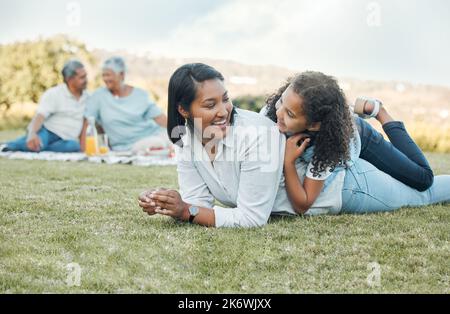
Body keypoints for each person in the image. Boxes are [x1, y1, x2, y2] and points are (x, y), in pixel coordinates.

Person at [269, 71, 450, 215]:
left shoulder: (327, 148)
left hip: (359, 137)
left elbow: (303, 204)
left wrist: (288, 163)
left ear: (314, 125)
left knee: (423, 180)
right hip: (338, 122)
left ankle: (380, 112)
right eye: (281, 102)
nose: (279, 113)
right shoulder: (272, 112)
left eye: (290, 114)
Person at [81, 56, 170, 153]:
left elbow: (160, 118)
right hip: (129, 146)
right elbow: (87, 123)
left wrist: (180, 130)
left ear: (122, 74)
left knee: (175, 139)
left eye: (109, 75)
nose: (105, 79)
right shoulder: (98, 96)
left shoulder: (140, 95)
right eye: (104, 75)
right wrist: (83, 152)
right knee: (157, 144)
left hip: (155, 133)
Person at [0, 59, 88, 153]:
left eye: (85, 76)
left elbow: (85, 124)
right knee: (36, 144)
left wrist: (83, 150)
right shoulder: (54, 93)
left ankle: (19, 145)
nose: (86, 80)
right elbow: (40, 115)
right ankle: (8, 146)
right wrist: (32, 133)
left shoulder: (88, 98)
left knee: (74, 146)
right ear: (69, 79)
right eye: (82, 77)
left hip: (65, 140)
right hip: (47, 132)